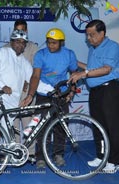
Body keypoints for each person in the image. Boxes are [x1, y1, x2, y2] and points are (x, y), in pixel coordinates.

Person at [69, 19, 119, 173]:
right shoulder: (92, 49)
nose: (88, 38)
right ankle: (101, 156)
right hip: (95, 92)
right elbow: (92, 68)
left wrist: (83, 74)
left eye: (92, 35)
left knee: (111, 127)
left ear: (102, 33)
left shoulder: (113, 46)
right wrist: (77, 63)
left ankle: (115, 161)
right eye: (87, 35)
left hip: (108, 91)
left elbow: (106, 69)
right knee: (98, 126)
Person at [21, 28, 78, 169]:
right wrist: (30, 95)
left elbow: (74, 73)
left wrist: (71, 91)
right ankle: (41, 157)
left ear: (61, 43)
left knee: (61, 125)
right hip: (44, 95)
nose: (50, 45)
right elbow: (35, 76)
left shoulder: (69, 54)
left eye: (54, 43)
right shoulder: (41, 54)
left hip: (62, 94)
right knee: (41, 126)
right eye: (48, 42)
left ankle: (58, 155)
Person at [9, 19, 39, 158]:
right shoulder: (6, 48)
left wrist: (27, 89)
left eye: (22, 30)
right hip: (11, 93)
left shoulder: (33, 47)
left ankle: (31, 152)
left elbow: (35, 71)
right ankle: (15, 152)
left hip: (27, 91)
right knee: (13, 124)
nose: (20, 33)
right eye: (17, 30)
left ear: (27, 31)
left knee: (29, 123)